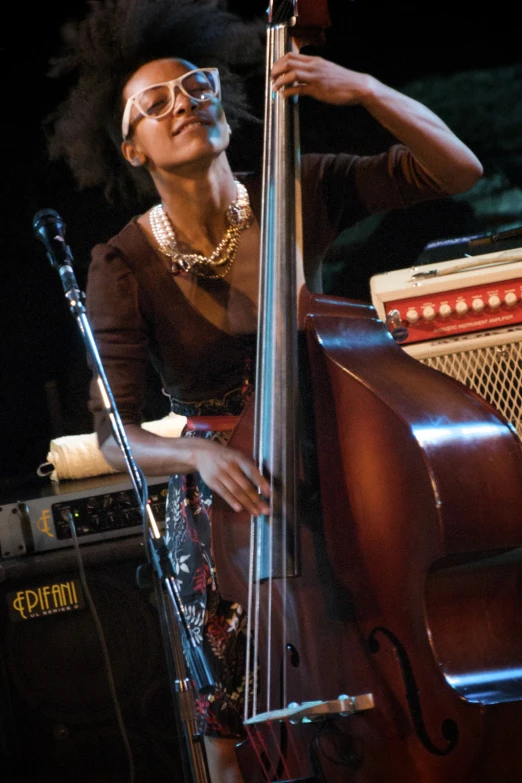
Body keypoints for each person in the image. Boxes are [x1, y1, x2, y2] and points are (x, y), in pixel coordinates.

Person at [45, 2, 483, 780]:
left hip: (339, 464)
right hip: (229, 504)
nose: (183, 103)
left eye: (196, 86)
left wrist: (364, 90)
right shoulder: (121, 264)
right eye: (155, 104)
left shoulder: (298, 184)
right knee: (228, 708)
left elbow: (457, 169)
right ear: (131, 147)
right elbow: (117, 433)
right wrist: (197, 458)